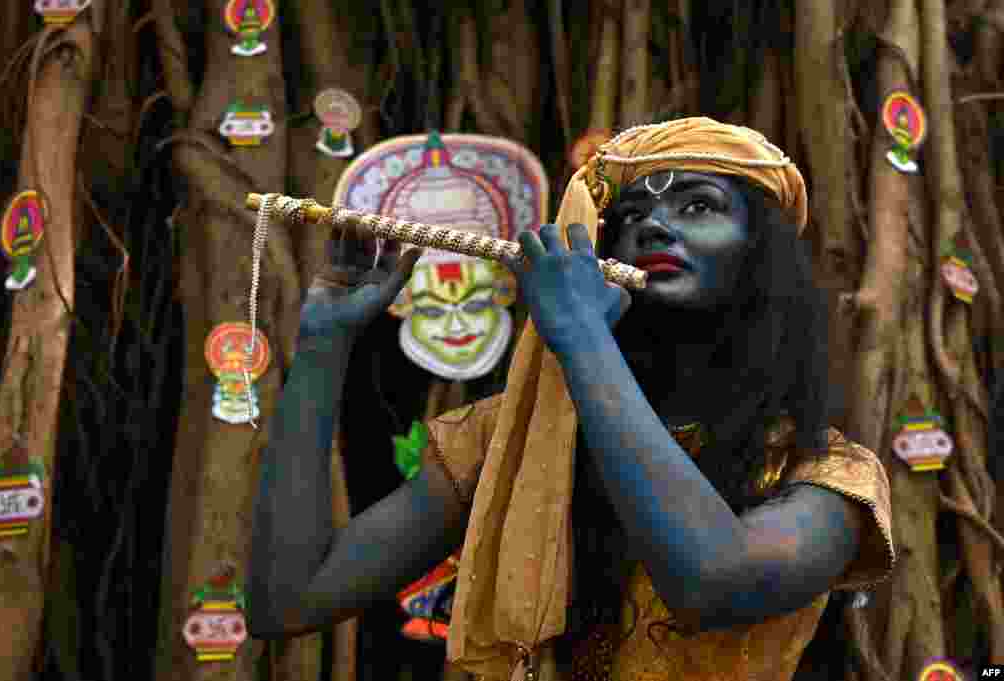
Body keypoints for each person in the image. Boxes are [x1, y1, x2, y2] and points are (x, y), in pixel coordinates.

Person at [247, 118, 895, 681]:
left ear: (762, 260)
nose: (655, 227)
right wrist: (325, 341)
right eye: (632, 217)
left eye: (697, 207)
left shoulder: (828, 476)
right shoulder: (519, 436)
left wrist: (582, 335)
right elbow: (289, 598)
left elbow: (711, 579)